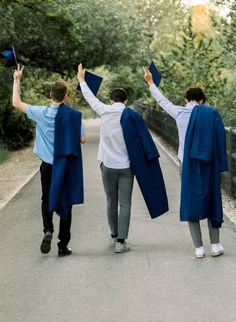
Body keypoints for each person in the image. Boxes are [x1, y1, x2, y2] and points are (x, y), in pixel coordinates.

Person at [144, 67, 228, 259]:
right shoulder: (210, 114)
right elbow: (219, 138)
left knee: (192, 201)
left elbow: (162, 101)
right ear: (202, 100)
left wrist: (151, 83)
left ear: (186, 100)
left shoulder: (180, 113)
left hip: (187, 165)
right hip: (208, 163)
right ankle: (215, 245)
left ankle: (199, 248)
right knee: (212, 200)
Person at [12, 65, 86, 257]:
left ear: (50, 94)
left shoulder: (41, 113)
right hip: (66, 165)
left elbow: (16, 103)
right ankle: (63, 245)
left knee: (46, 198)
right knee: (66, 200)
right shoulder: (72, 116)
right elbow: (83, 139)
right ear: (66, 96)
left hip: (47, 165)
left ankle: (48, 230)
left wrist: (17, 79)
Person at [77, 64, 134, 253]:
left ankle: (113, 233)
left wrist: (82, 80)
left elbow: (90, 98)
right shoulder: (130, 115)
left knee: (111, 200)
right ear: (126, 101)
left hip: (108, 166)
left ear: (111, 100)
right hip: (126, 167)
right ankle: (121, 242)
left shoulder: (104, 110)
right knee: (125, 203)